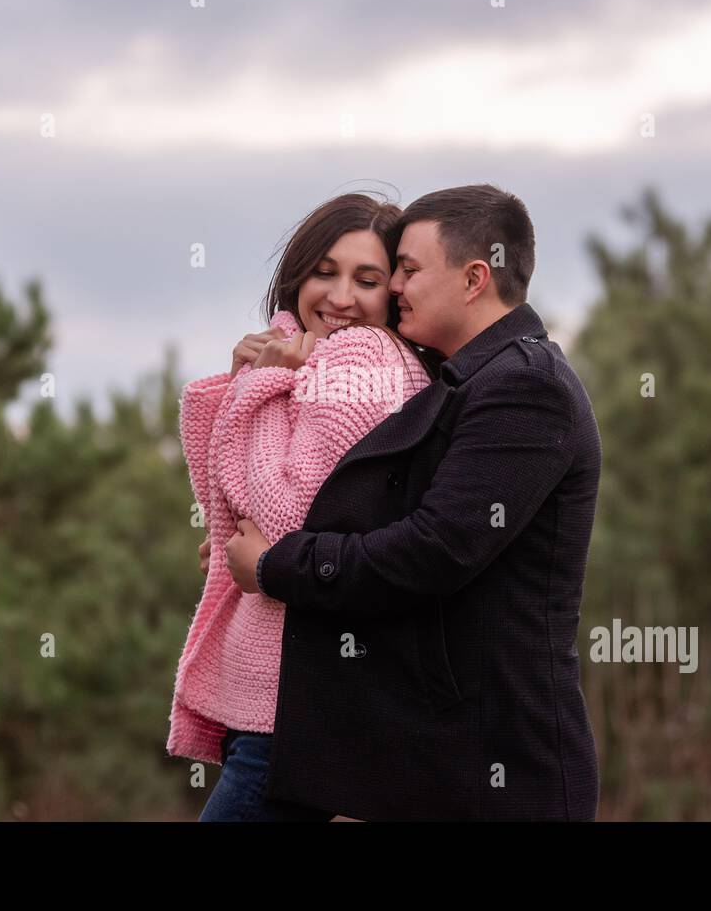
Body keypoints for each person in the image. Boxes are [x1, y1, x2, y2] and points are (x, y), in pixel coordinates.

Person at [226, 184, 603, 820]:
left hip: (507, 772)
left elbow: (434, 550)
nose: (394, 287)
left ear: (475, 277)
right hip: (449, 762)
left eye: (408, 269)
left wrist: (275, 566)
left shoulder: (524, 390)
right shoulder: (463, 382)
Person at [167, 193, 437, 821]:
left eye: (366, 280)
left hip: (291, 707)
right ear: (297, 274)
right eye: (325, 271)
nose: (341, 297)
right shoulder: (316, 357)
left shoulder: (363, 359)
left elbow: (287, 519)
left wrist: (261, 384)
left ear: (393, 292)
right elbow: (229, 508)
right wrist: (257, 376)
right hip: (275, 702)